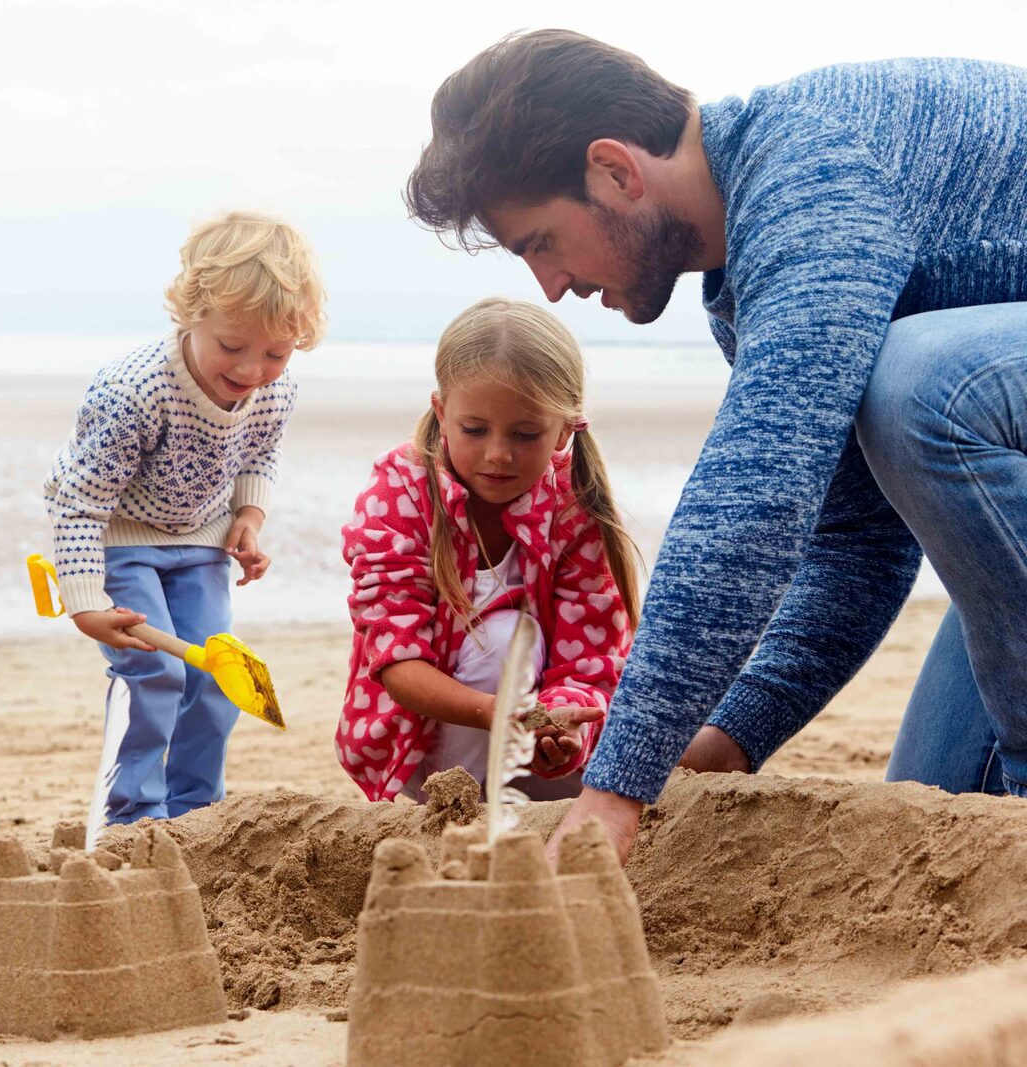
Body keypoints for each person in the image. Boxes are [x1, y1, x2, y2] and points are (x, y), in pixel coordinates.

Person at [403, 30, 1027, 861]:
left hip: (952, 383)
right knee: (948, 825)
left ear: (615, 170)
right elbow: (855, 543)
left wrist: (618, 784)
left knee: (922, 387)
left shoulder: (813, 177)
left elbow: (753, 502)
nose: (550, 287)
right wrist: (724, 735)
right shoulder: (751, 275)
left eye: (541, 244)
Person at [44, 211, 325, 824]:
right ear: (191, 313)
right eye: (232, 346)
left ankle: (196, 813)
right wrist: (84, 599)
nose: (251, 371)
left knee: (218, 676)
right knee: (156, 672)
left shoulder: (273, 390)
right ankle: (131, 815)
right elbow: (79, 502)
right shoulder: (135, 391)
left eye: (275, 353)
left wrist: (248, 516)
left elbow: (259, 451)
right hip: (121, 538)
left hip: (199, 541)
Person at [337, 297, 637, 801]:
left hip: (533, 744)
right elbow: (396, 661)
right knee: (498, 639)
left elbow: (590, 662)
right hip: (417, 749)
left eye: (525, 434)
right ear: (441, 411)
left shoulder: (574, 505)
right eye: (474, 431)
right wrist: (497, 712)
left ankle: (521, 802)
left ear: (565, 429)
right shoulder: (400, 492)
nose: (498, 455)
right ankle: (460, 807)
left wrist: (560, 730)